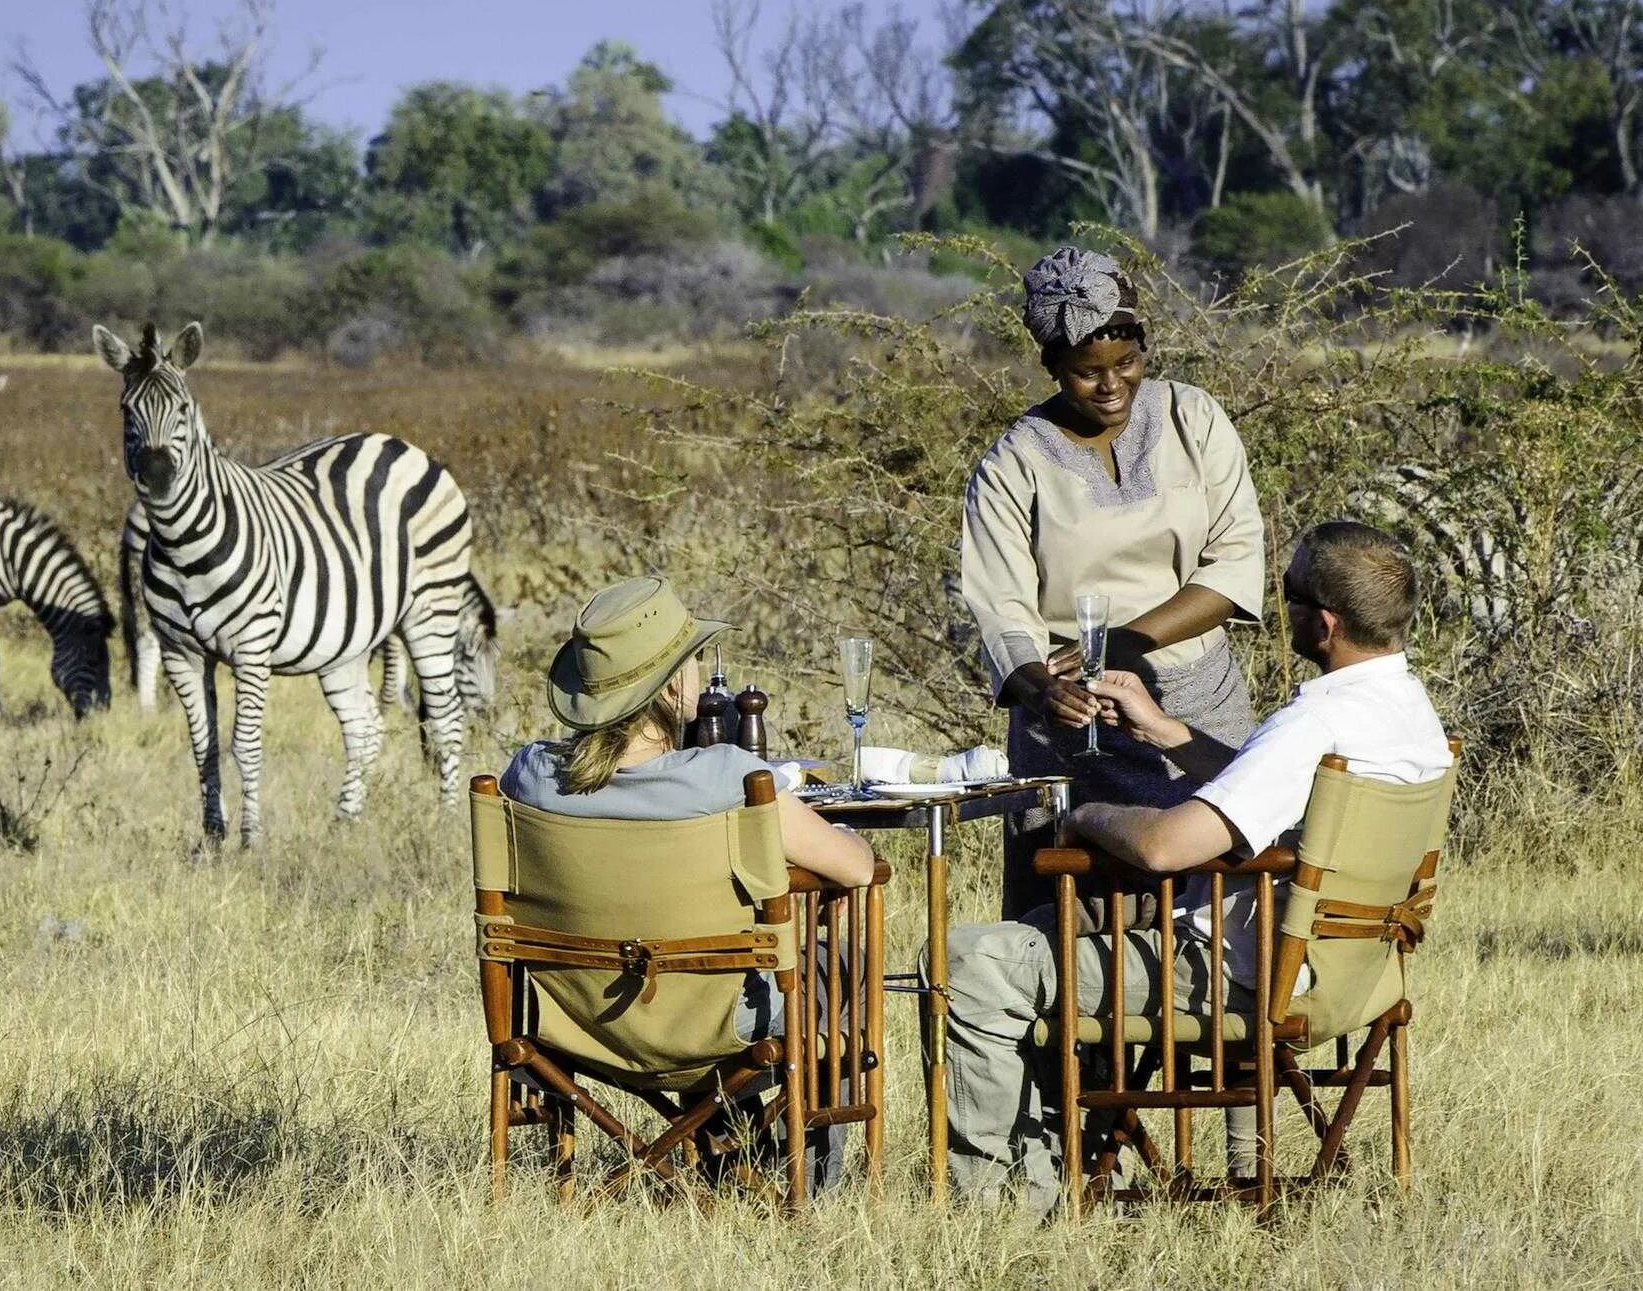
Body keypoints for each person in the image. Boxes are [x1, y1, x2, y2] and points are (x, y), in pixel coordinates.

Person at [934, 521, 1452, 1213]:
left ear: (1323, 621)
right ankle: (1068, 1161)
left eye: (1288, 591)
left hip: (1239, 977)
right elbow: (1276, 791)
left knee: (970, 960)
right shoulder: (1409, 714)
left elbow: (1162, 847)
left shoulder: (1316, 720)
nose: (1281, 603)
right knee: (1039, 938)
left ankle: (1004, 1203)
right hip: (1350, 975)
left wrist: (1086, 813)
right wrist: (1170, 732)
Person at [503, 574, 875, 1190]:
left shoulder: (528, 777)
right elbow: (856, 869)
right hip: (717, 1021)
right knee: (840, 963)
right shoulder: (730, 778)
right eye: (695, 659)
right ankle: (806, 1175)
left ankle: (725, 1149)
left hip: (573, 1017)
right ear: (675, 682)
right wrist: (848, 833)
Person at [962, 245, 1266, 922]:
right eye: (1085, 372)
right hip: (1072, 727)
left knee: (1221, 910)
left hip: (1198, 706)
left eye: (1125, 363)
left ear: (1144, 347)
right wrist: (1047, 693)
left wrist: (1128, 642)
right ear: (1050, 367)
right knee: (1070, 918)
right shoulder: (1013, 464)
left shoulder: (1194, 418)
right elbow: (1001, 610)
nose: (1110, 384)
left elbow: (1235, 566)